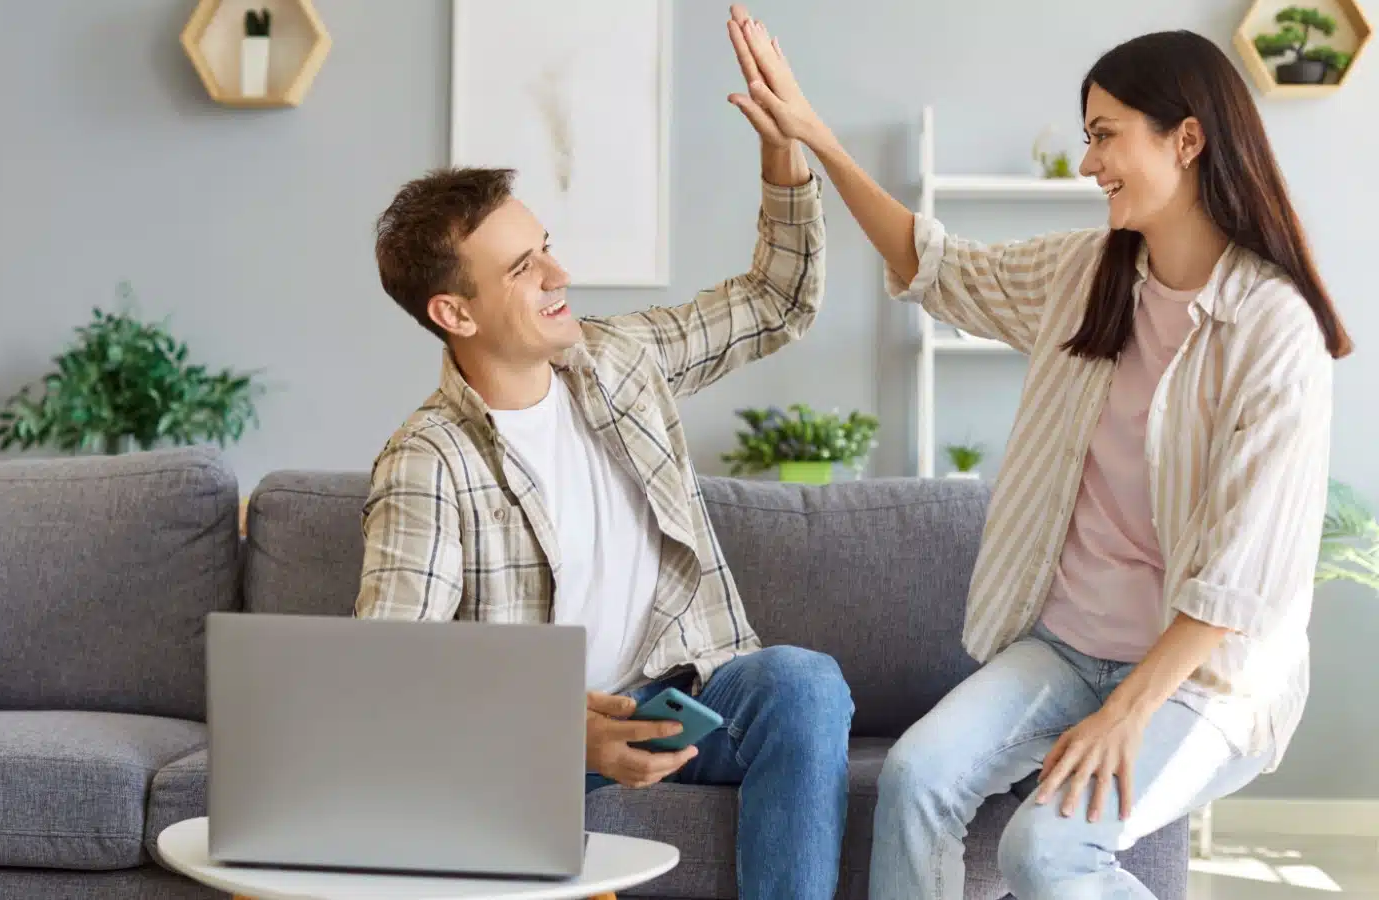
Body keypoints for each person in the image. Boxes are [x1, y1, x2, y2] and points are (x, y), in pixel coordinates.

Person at [725, 7, 1349, 899]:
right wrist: (817, 136)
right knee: (913, 779)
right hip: (1065, 647)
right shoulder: (1086, 277)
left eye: (1106, 136)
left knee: (1047, 851)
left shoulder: (1272, 329)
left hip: (1199, 681)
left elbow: (1241, 582)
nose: (1090, 161)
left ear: (1188, 139)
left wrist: (1126, 714)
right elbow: (936, 266)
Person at [353, 12, 853, 898]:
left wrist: (785, 152)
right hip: (541, 746)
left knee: (803, 684)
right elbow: (393, 678)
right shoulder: (428, 460)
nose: (559, 274)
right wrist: (553, 730)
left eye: (545, 247)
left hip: (689, 702)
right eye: (523, 269)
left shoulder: (618, 359)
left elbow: (779, 301)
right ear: (454, 314)